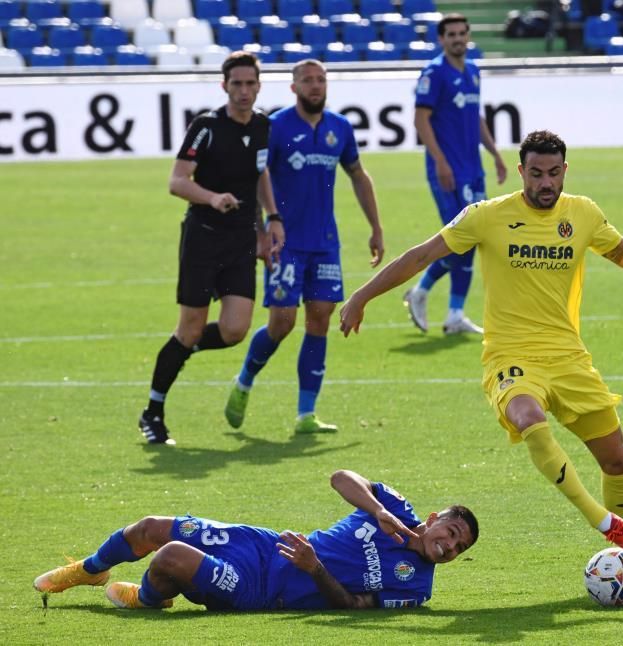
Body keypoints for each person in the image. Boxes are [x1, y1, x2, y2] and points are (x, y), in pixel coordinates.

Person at [340, 130, 623, 582]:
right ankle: (604, 522)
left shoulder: (583, 213)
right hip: (511, 356)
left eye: (553, 174)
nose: (545, 183)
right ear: (520, 172)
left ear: (564, 172)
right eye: (536, 174)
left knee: (618, 462)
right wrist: (362, 295)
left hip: (569, 357)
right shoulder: (487, 216)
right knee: (526, 415)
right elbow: (421, 256)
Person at [33, 470, 478, 611]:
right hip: (262, 544)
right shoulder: (398, 511)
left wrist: (314, 568)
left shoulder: (416, 588)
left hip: (263, 589)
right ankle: (89, 571)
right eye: (452, 533)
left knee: (170, 557)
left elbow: (353, 607)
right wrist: (378, 510)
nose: (450, 547)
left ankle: (148, 598)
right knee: (150, 527)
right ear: (435, 518)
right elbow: (342, 478)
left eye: (459, 549)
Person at [224, 59, 384, 434]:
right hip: (285, 241)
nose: (315, 86)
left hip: (325, 242)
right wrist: (261, 233)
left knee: (320, 320)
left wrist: (375, 227)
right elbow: (255, 178)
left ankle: (305, 414)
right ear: (293, 87)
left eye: (320, 80)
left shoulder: (340, 128)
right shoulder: (275, 127)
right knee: (281, 322)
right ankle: (244, 381)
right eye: (307, 80)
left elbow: (358, 176)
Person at [138, 51, 285, 445]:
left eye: (250, 83)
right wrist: (212, 197)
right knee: (189, 329)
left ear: (258, 86)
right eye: (236, 83)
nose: (243, 90)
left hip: (240, 240)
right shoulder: (206, 126)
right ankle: (153, 411)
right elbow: (177, 181)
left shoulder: (262, 127)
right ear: (224, 86)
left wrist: (271, 220)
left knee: (236, 329)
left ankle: (176, 351)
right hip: (203, 237)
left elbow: (261, 172)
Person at [403, 13, 507, 336]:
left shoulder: (473, 70)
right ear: (441, 39)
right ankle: (421, 291)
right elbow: (421, 120)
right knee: (458, 239)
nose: (458, 39)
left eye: (463, 33)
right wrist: (440, 161)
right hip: (448, 170)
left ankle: (454, 314)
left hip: (473, 168)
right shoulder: (434, 73)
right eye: (451, 34)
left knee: (473, 237)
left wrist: (496, 155)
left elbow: (475, 119)